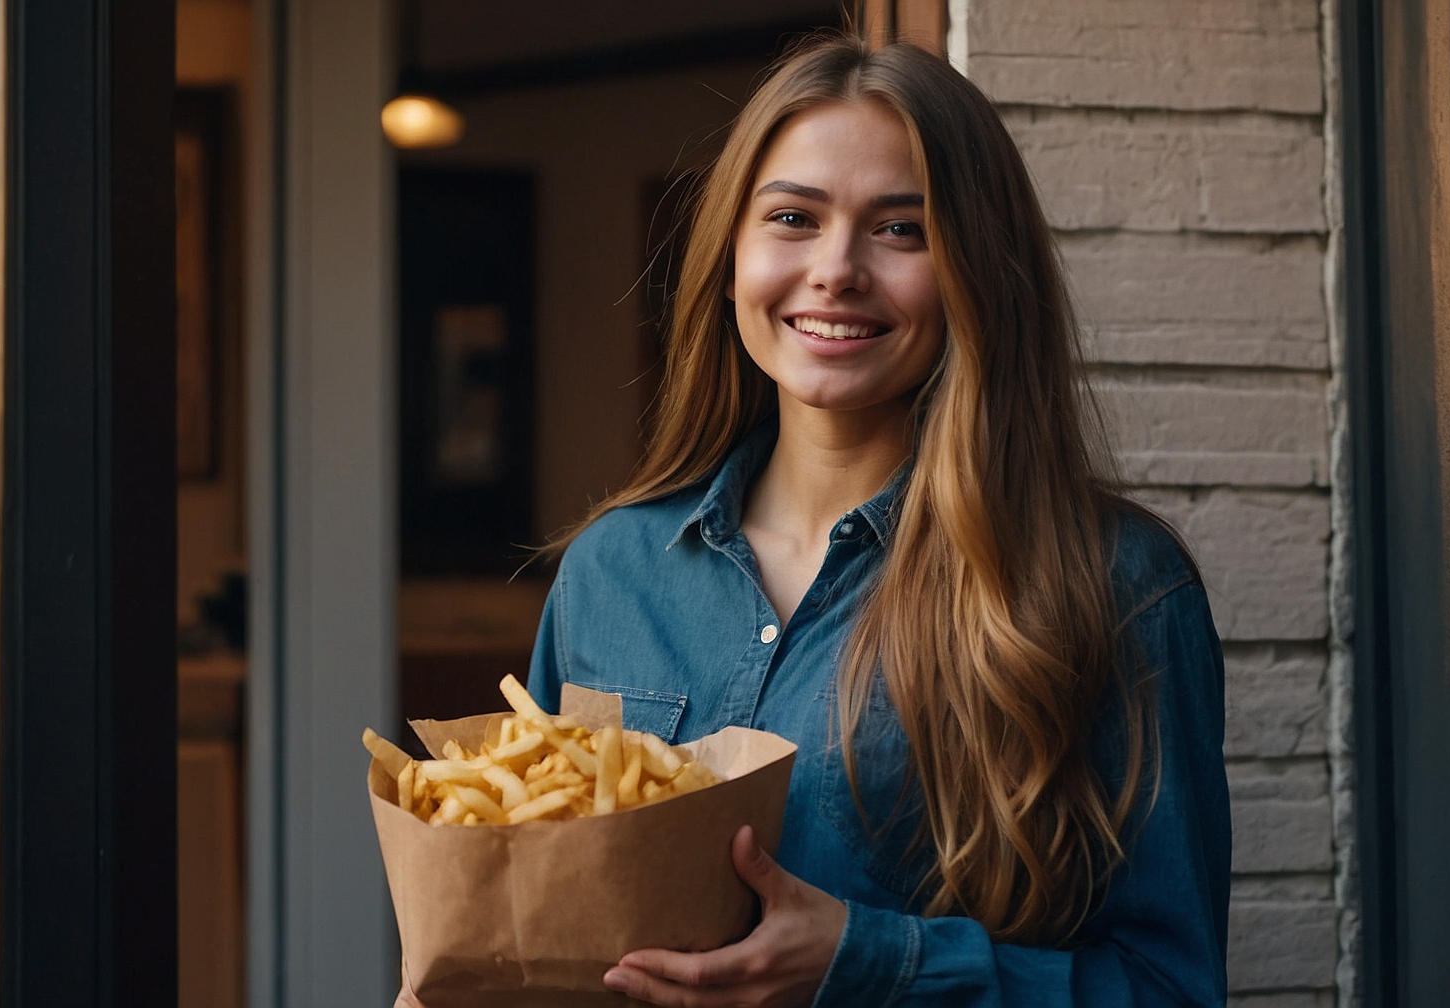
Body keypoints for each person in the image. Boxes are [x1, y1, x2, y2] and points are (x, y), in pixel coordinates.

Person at [401, 34, 1229, 1008]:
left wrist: (867, 959)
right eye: (792, 217)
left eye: (901, 230)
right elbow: (527, 913)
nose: (835, 269)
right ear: (730, 256)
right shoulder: (611, 572)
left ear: (979, 269)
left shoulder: (1113, 587)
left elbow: (1171, 990)